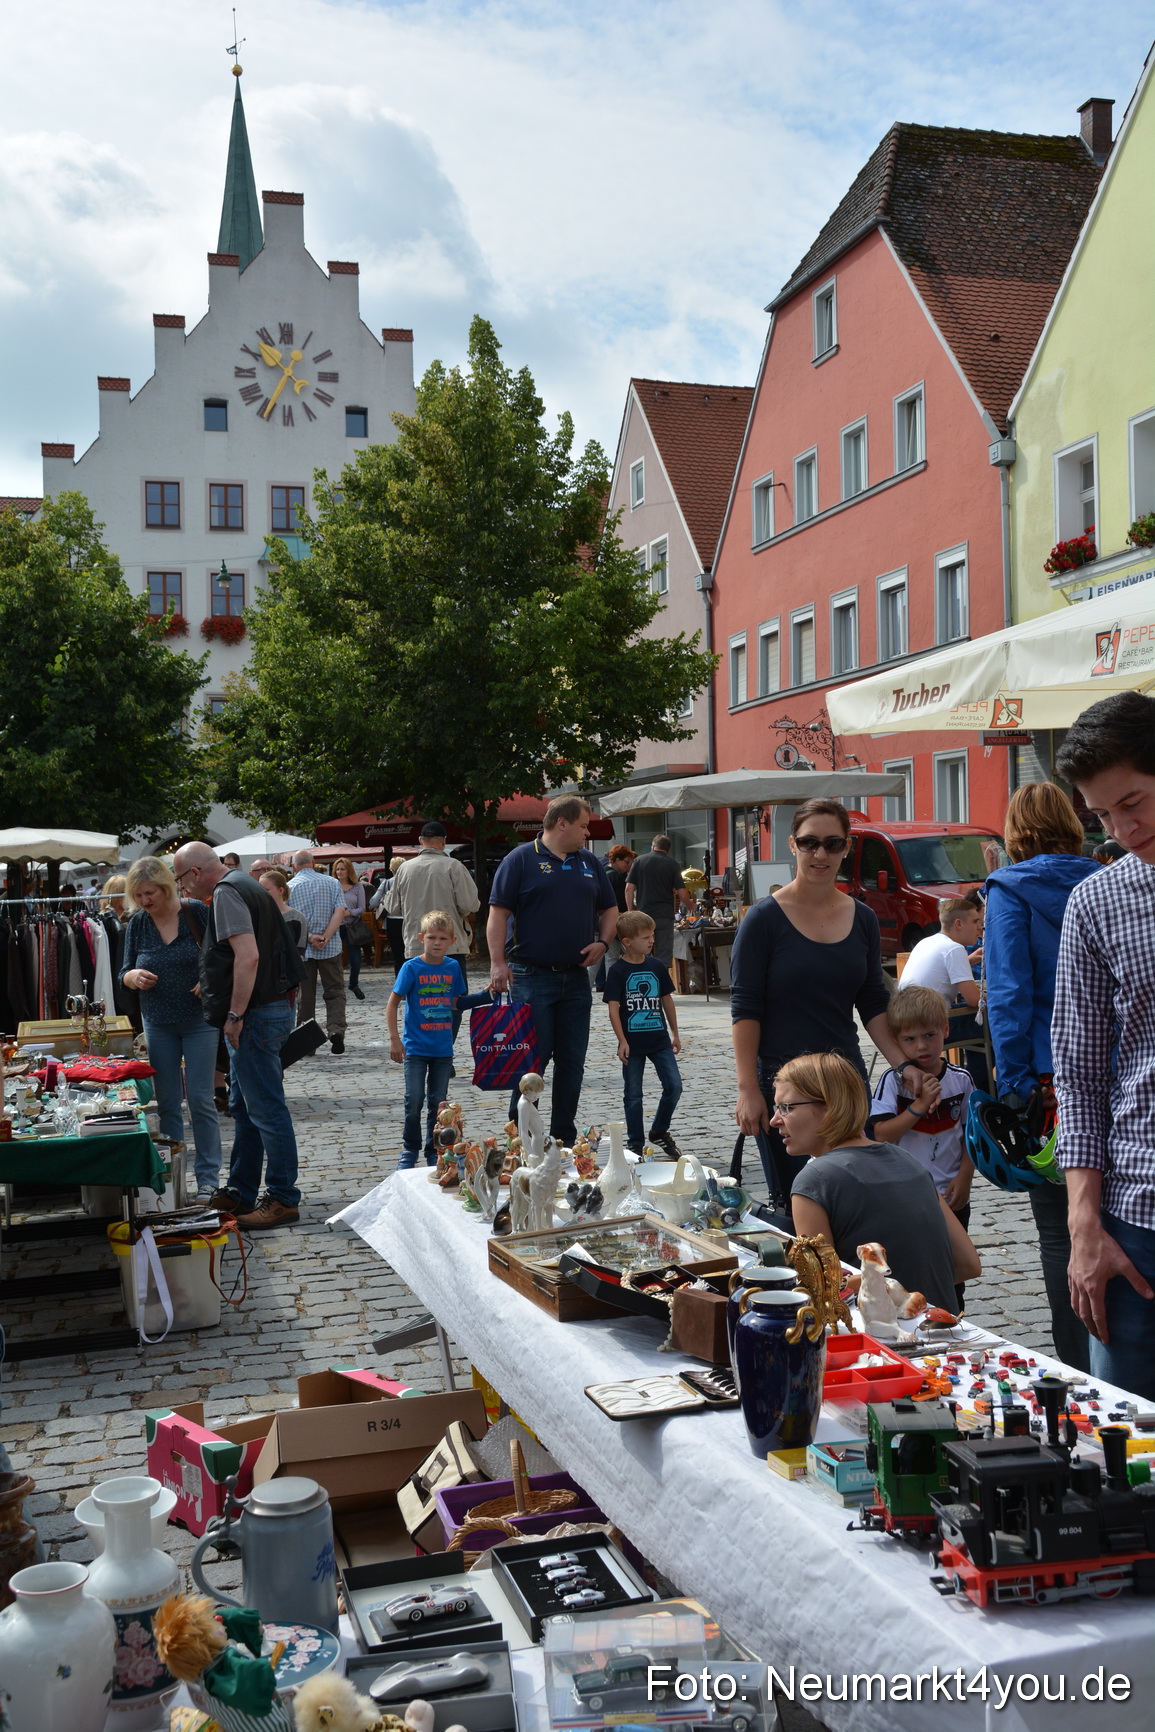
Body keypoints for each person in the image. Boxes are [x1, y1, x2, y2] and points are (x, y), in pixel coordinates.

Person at [730, 799, 917, 1204]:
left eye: (833, 844)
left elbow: (871, 1001)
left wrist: (902, 1065)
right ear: (792, 845)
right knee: (801, 1202)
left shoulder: (862, 918)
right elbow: (746, 1009)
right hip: (786, 1088)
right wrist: (748, 1088)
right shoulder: (762, 920)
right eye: (809, 842)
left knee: (858, 1199)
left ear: (846, 847)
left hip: (845, 1083)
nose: (820, 854)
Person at [1052, 692, 1155, 1396]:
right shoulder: (1096, 899)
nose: (1122, 828)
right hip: (1133, 1216)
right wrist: (1082, 1225)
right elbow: (1079, 1075)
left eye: (1135, 802)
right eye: (1101, 815)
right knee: (1129, 1454)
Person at [983, 781, 1099, 1371]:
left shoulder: (1008, 889)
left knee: (1059, 1233)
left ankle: (1077, 1367)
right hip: (1111, 1073)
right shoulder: (1106, 879)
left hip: (1047, 1081)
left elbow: (1006, 992)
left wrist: (1014, 1087)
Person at [782, 1051, 980, 1314]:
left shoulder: (814, 1180)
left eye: (787, 1107)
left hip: (878, 1343)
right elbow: (968, 1264)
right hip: (941, 1327)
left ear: (829, 1107)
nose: (775, 1120)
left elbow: (822, 1296)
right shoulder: (908, 1161)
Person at [171, 841, 305, 1229]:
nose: (182, 889)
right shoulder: (243, 884)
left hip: (257, 1013)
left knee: (265, 1108)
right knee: (247, 1107)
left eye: (181, 879)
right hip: (267, 1009)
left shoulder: (228, 892)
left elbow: (248, 956)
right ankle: (241, 1190)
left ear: (195, 873)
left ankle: (283, 1197)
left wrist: (235, 1013)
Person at [488, 795, 618, 1145]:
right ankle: (522, 1137)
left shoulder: (589, 862)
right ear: (562, 824)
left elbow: (611, 909)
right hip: (531, 976)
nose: (587, 832)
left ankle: (562, 1136)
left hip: (576, 978)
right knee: (531, 1063)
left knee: (572, 1063)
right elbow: (497, 915)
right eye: (583, 825)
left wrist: (603, 943)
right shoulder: (520, 859)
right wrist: (498, 963)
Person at [120, 856, 223, 1199]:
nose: (146, 901)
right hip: (157, 1021)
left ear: (165, 887)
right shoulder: (138, 924)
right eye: (139, 896)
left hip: (198, 1020)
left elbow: (225, 955)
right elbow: (124, 972)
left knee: (200, 1098)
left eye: (150, 893)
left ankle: (208, 1178)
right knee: (166, 1102)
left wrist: (207, 978)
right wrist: (133, 977)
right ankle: (172, 1175)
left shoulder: (196, 912)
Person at [868, 984, 975, 1308]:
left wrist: (965, 1178)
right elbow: (881, 1134)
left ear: (945, 1029)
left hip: (950, 1194)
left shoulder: (961, 1079)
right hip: (904, 1197)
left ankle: (952, 1318)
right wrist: (920, 1105)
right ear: (897, 1041)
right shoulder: (893, 1082)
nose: (922, 1046)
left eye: (929, 1035)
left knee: (952, 1273)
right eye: (910, 1039)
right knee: (906, 1273)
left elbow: (972, 1135)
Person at [387, 911, 488, 1168]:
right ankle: (410, 1148)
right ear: (421, 937)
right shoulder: (411, 967)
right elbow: (392, 1004)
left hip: (443, 1049)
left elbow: (456, 1003)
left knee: (438, 1103)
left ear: (452, 941)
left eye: (443, 938)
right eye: (431, 937)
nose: (437, 943)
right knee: (414, 1100)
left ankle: (434, 1149)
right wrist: (395, 1039)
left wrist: (485, 996)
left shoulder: (452, 967)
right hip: (416, 1047)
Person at [386, 823, 479, 1034]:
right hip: (450, 947)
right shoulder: (453, 867)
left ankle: (423, 1049)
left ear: (421, 841)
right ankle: (445, 1050)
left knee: (418, 1002)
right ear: (443, 840)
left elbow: (393, 907)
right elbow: (469, 905)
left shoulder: (404, 869)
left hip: (416, 946)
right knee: (454, 1002)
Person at [604, 910, 683, 1156]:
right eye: (645, 937)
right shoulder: (617, 971)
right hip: (633, 1044)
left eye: (652, 936)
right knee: (633, 1095)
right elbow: (613, 1008)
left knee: (674, 1086)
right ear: (627, 942)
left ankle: (659, 1130)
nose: (651, 941)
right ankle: (635, 1142)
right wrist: (621, 1041)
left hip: (659, 1040)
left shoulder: (656, 966)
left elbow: (667, 1000)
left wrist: (675, 1032)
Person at [288, 849, 348, 1054]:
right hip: (330, 947)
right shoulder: (332, 883)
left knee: (305, 996)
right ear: (313, 862)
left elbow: (289, 920)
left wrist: (310, 937)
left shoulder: (290, 887)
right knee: (335, 991)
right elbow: (340, 911)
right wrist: (326, 936)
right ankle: (336, 1030)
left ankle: (307, 1042)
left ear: (294, 866)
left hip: (303, 949)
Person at [625, 836, 692, 966]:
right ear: (668, 850)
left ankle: (646, 979)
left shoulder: (639, 861)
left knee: (643, 951)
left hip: (644, 914)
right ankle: (662, 981)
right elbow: (682, 893)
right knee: (664, 952)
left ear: (653, 846)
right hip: (664, 914)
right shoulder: (672, 864)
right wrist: (690, 905)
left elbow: (629, 889)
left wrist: (630, 911)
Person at [588, 843, 636, 992]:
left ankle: (604, 989)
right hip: (607, 924)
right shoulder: (612, 875)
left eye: (630, 862)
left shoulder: (606, 873)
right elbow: (605, 902)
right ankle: (609, 989)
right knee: (606, 958)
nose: (628, 866)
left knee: (603, 959)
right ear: (616, 860)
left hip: (602, 924)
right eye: (626, 862)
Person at [333, 857, 367, 1000]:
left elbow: (362, 908)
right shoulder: (332, 884)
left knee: (355, 959)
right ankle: (335, 986)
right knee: (334, 958)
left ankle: (353, 984)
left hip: (351, 926)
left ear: (349, 870)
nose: (340, 872)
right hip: (335, 926)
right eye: (337, 869)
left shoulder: (357, 886)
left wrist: (349, 913)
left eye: (343, 869)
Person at [370, 856, 409, 975]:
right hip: (410, 920)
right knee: (411, 954)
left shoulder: (387, 883)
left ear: (391, 869)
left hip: (392, 921)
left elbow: (373, 902)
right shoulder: (411, 881)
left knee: (398, 956)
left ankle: (400, 983)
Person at [260, 869, 307, 953]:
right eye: (259, 889)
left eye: (266, 890)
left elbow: (300, 951)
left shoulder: (297, 918)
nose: (261, 893)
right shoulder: (256, 916)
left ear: (280, 890)